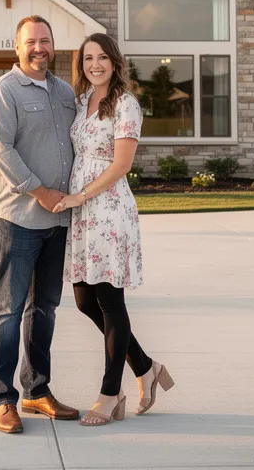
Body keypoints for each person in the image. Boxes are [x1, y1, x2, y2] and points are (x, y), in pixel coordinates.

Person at [58, 32, 174, 427]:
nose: (95, 65)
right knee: (84, 301)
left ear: (115, 62)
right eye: (88, 58)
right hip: (83, 214)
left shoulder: (125, 104)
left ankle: (110, 393)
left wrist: (80, 196)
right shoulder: (80, 102)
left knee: (109, 302)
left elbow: (121, 164)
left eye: (102, 58)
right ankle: (145, 367)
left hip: (107, 210)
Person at [0, 15, 81, 434]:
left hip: (57, 222)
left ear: (53, 46)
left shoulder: (65, 92)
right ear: (16, 48)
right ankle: (4, 400)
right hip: (17, 220)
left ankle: (37, 390)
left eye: (45, 41)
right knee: (9, 310)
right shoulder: (2, 92)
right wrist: (41, 192)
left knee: (46, 309)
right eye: (30, 42)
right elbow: (0, 151)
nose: (38, 48)